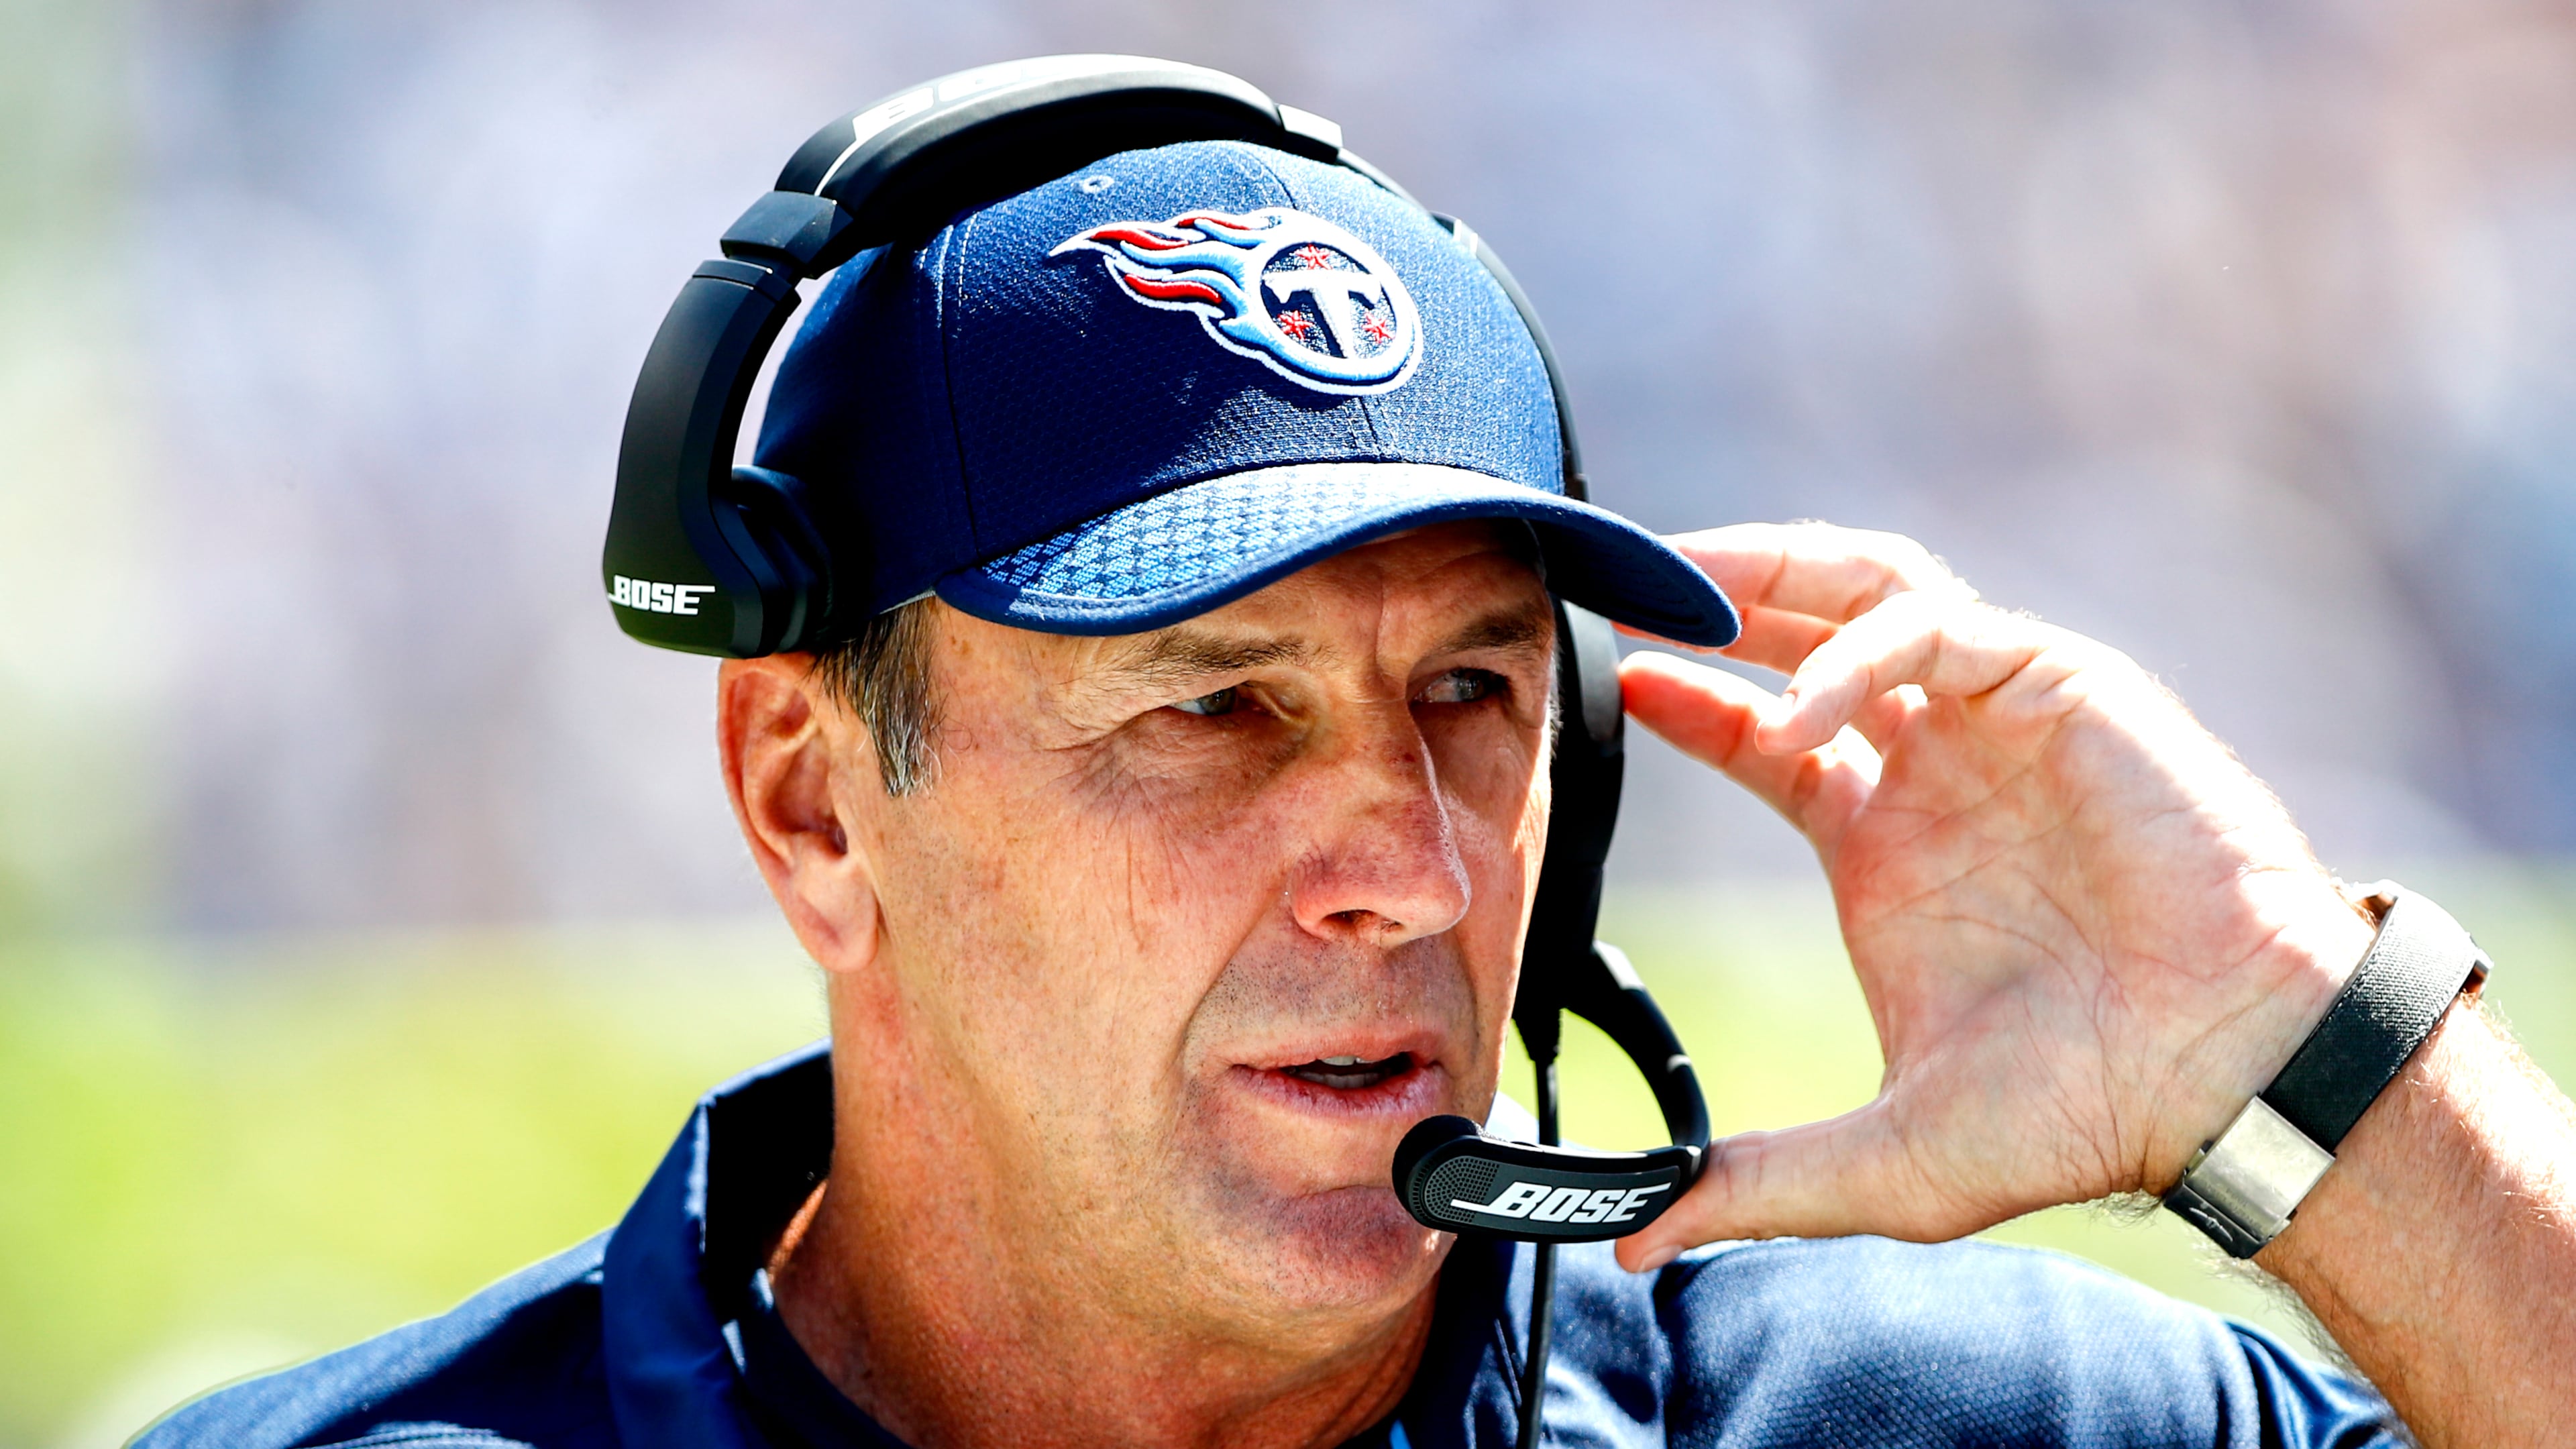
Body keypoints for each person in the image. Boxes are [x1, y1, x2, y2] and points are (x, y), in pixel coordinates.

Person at [139, 102, 2575, 1449]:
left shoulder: (1918, 1428)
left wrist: (2306, 1053)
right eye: (1215, 705)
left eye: (1475, 697)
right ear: (808, 799)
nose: (1404, 871)